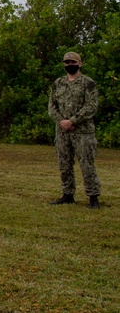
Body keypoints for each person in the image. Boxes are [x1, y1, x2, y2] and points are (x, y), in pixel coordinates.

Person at [48, 52, 101, 209]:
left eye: (72, 62)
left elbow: (91, 106)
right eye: (66, 62)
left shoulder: (88, 83)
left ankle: (93, 197)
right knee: (64, 164)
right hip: (62, 132)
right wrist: (62, 122)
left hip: (83, 132)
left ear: (80, 63)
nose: (69, 64)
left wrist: (73, 121)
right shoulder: (58, 83)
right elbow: (52, 107)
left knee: (87, 164)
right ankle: (67, 194)